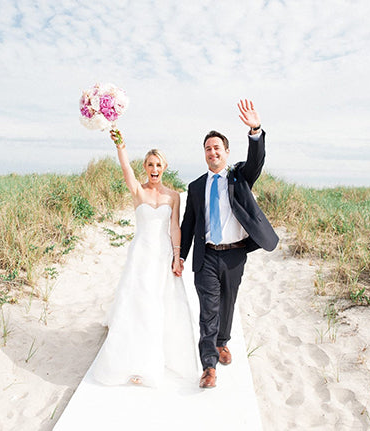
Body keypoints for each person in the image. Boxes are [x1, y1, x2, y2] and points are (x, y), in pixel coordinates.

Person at [178, 99, 279, 389]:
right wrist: (181, 255)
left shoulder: (239, 177)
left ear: (226, 152)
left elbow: (257, 161)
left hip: (235, 254)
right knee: (208, 308)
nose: (212, 152)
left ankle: (222, 342)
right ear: (204, 154)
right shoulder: (196, 186)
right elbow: (189, 223)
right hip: (206, 256)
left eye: (217, 148)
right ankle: (208, 365)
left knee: (227, 303)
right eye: (208, 148)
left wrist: (255, 130)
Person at [91, 130, 198, 388]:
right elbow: (125, 167)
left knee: (159, 305)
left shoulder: (172, 197)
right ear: (145, 168)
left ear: (164, 168)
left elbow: (175, 227)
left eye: (158, 164)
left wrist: (177, 256)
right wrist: (121, 146)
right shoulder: (138, 191)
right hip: (140, 255)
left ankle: (156, 358)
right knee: (137, 305)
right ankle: (135, 361)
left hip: (162, 257)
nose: (154, 168)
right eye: (150, 164)